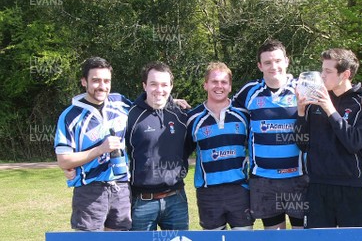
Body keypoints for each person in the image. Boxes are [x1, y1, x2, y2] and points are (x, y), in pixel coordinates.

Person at [295, 48, 362, 228]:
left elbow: (354, 143)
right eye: (322, 70)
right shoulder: (314, 98)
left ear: (345, 74)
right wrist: (301, 113)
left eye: (328, 71)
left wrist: (329, 109)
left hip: (351, 189)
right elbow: (302, 144)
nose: (322, 76)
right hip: (317, 187)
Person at [231, 39, 308, 230]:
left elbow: (337, 96)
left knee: (302, 237)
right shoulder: (249, 92)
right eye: (267, 62)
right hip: (264, 180)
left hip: (297, 177)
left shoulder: (303, 87)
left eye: (277, 61)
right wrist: (174, 103)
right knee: (274, 239)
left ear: (287, 61)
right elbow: (221, 106)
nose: (273, 66)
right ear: (259, 66)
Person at [54, 57, 132, 231]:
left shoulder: (120, 103)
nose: (102, 86)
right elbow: (64, 161)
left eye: (106, 81)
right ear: (84, 81)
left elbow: (146, 110)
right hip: (89, 190)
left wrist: (172, 103)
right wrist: (100, 150)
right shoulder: (70, 116)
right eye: (96, 80)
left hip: (121, 187)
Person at [126, 61, 192, 231]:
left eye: (164, 85)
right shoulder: (129, 116)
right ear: (144, 86)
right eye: (153, 84)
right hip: (142, 201)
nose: (159, 89)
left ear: (171, 86)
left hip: (176, 199)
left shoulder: (181, 115)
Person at [187, 62, 253, 230]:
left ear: (230, 86)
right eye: (214, 81)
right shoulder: (192, 118)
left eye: (224, 82)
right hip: (208, 193)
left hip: (239, 190)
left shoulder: (244, 115)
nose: (219, 86)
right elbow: (182, 152)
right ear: (205, 85)